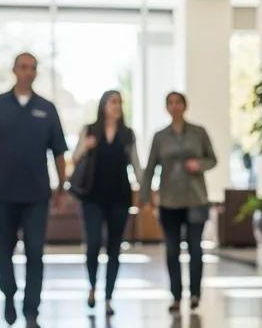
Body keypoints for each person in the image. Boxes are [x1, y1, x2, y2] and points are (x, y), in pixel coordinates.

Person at [0, 52, 67, 328]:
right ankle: (9, 294)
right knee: (3, 251)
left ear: (36, 73)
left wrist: (61, 188)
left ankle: (32, 311)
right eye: (23, 67)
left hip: (37, 195)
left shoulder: (47, 109)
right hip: (2, 195)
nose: (28, 72)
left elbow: (59, 153)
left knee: (35, 252)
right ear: (14, 70)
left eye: (33, 68)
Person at [141, 91, 216, 313]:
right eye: (170, 103)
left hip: (195, 198)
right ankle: (175, 295)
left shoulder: (198, 132)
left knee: (195, 248)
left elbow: (212, 159)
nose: (175, 107)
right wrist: (145, 197)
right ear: (167, 107)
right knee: (172, 249)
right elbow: (150, 169)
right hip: (169, 200)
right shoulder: (160, 136)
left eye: (178, 102)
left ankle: (194, 293)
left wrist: (199, 165)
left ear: (185, 105)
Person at [70, 90, 142, 316]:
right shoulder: (89, 130)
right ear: (103, 105)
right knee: (93, 245)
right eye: (113, 101)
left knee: (114, 249)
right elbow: (74, 158)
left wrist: (147, 192)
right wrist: (86, 146)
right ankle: (92, 286)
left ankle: (109, 296)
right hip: (92, 198)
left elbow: (136, 165)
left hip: (119, 198)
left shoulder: (128, 134)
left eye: (119, 102)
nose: (117, 106)